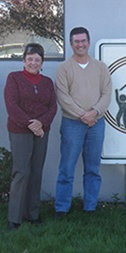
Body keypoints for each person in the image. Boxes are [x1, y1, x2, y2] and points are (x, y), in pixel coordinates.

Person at [54, 27, 112, 217]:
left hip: (96, 123)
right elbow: (63, 98)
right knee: (67, 169)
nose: (80, 44)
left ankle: (90, 207)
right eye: (76, 41)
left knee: (93, 169)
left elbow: (106, 94)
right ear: (71, 44)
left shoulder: (101, 67)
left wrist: (94, 113)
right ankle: (62, 208)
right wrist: (84, 115)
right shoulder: (64, 69)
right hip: (72, 124)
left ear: (88, 42)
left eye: (83, 41)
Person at [4, 43, 57, 230]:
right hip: (20, 131)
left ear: (42, 62)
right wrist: (32, 125)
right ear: (24, 60)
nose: (33, 62)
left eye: (37, 59)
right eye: (30, 59)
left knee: (36, 172)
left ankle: (32, 214)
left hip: (42, 131)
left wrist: (41, 124)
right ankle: (15, 218)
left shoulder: (47, 82)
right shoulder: (14, 78)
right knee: (21, 172)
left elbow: (53, 107)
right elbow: (12, 106)